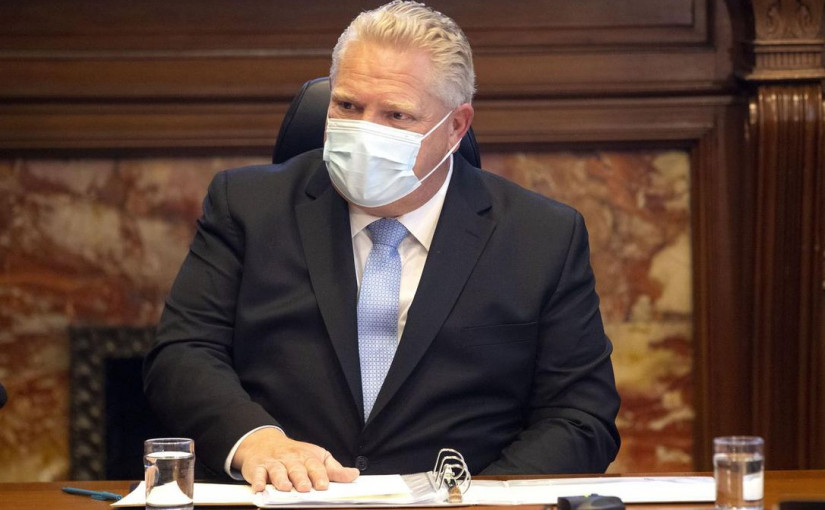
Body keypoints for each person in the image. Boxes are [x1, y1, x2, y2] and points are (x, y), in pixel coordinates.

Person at [143, 0, 620, 495]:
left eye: (396, 115)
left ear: (455, 127)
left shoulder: (541, 235)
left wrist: (478, 499)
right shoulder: (247, 206)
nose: (365, 132)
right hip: (286, 499)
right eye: (348, 107)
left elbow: (579, 415)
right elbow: (183, 354)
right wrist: (255, 440)